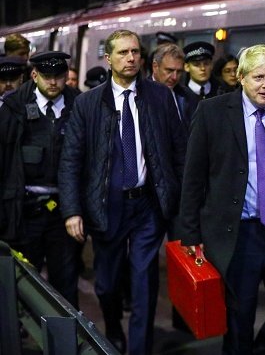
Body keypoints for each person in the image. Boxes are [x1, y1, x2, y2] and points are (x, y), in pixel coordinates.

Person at [180, 44, 265, 354]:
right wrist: (189, 231)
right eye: (258, 77)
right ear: (240, 78)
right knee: (238, 319)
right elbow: (194, 177)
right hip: (236, 233)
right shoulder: (213, 112)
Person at [58, 29, 186, 355]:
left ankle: (138, 350)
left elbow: (178, 150)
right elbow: (71, 160)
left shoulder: (159, 97)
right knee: (107, 285)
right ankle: (113, 327)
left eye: (135, 52)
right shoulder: (88, 104)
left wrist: (178, 200)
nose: (131, 59)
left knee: (144, 282)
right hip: (106, 207)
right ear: (108, 58)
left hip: (147, 205)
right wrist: (72, 211)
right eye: (123, 53)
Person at [0, 51, 81, 309]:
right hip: (25, 209)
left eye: (59, 76)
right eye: (47, 77)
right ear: (34, 76)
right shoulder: (14, 108)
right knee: (24, 279)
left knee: (65, 280)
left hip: (64, 211)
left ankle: (69, 339)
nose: (54, 82)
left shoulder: (79, 104)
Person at [152, 43, 198, 132]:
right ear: (155, 67)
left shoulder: (188, 96)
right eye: (169, 70)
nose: (175, 77)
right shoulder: (140, 93)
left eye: (179, 71)